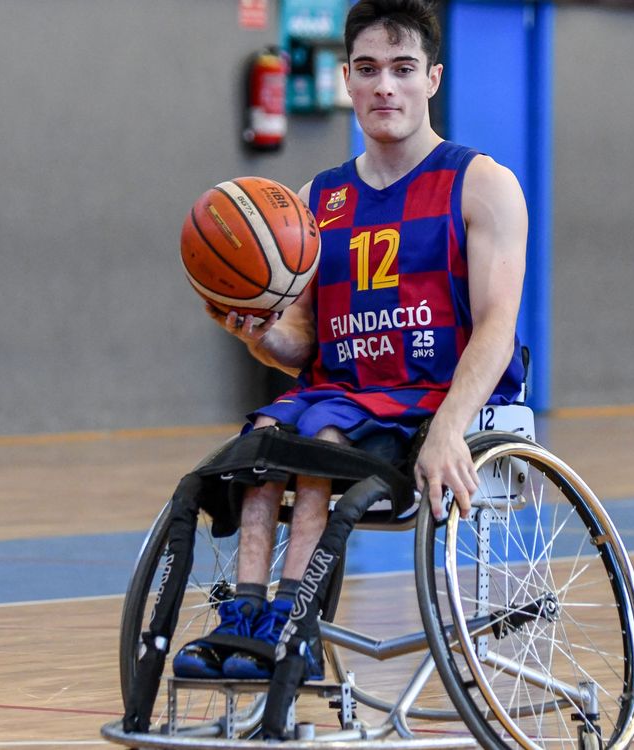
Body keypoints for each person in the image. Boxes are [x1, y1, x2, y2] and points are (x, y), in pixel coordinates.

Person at [173, 0, 528, 681]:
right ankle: (245, 619)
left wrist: (449, 429)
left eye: (402, 68)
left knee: (321, 441)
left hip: (429, 400)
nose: (384, 86)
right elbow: (303, 347)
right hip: (342, 393)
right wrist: (258, 331)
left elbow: (497, 328)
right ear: (347, 80)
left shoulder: (481, 185)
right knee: (264, 442)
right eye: (367, 70)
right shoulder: (314, 202)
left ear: (433, 78)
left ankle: (295, 628)